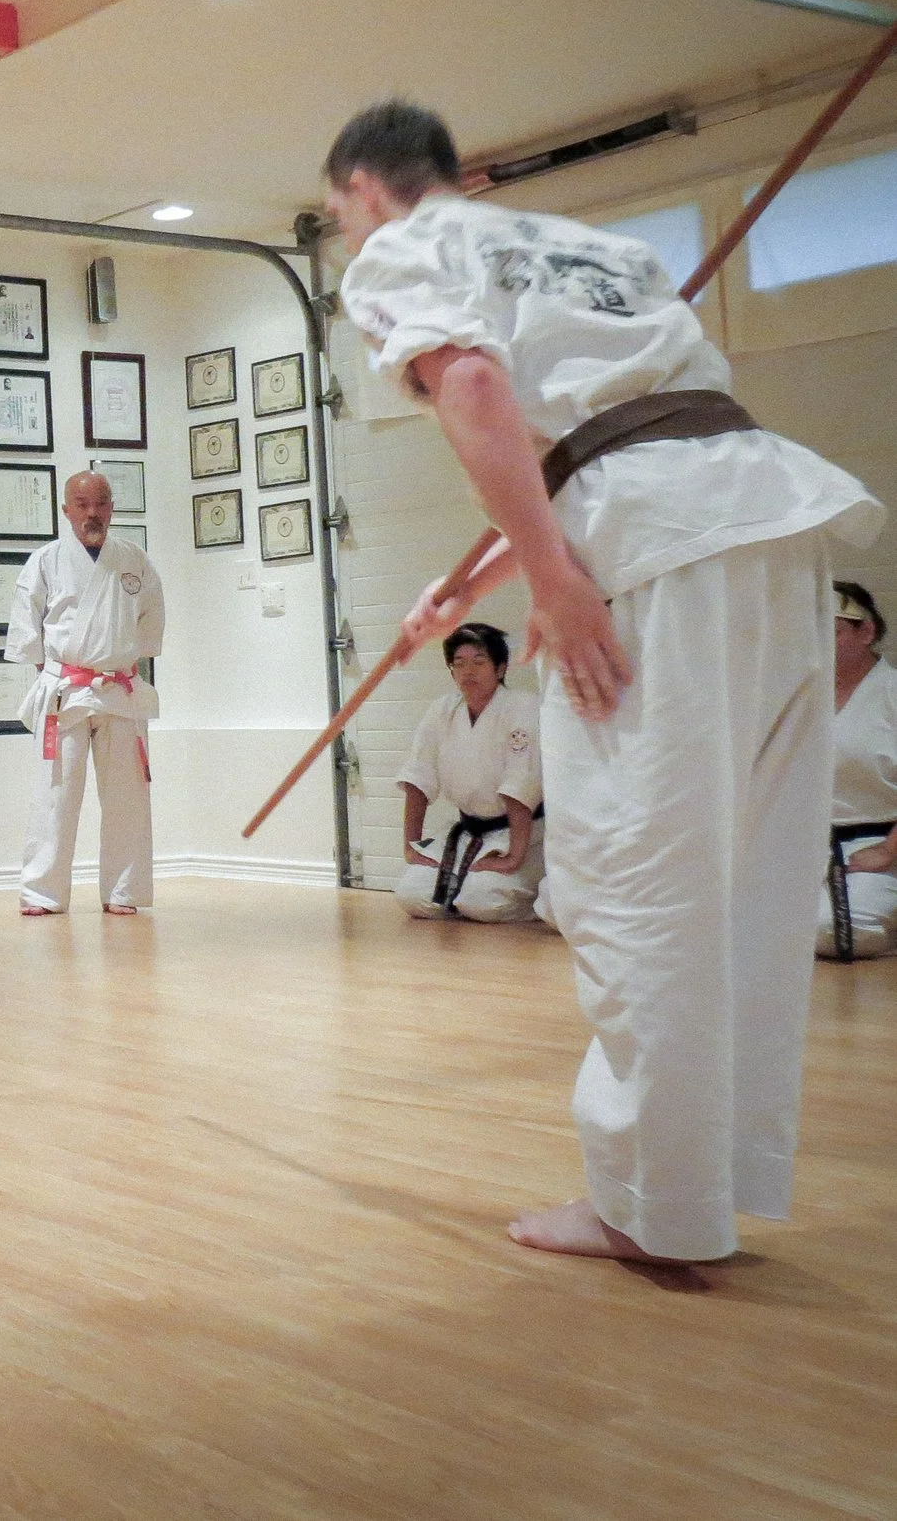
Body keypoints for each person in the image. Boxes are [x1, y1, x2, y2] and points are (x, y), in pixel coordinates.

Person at [327, 98, 881, 1265]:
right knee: (745, 875)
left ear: (362, 193)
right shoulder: (599, 250)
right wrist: (480, 580)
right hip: (769, 526)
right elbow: (607, 435)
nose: (344, 236)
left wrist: (551, 579)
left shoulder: (400, 250)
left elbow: (476, 395)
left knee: (635, 872)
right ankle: (702, 1185)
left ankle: (650, 1206)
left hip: (655, 553)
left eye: (338, 216)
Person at [6, 471, 164, 916]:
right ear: (66, 510)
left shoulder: (134, 561)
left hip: (119, 690)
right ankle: (42, 892)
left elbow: (150, 626)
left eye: (101, 503)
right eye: (82, 504)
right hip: (67, 691)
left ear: (112, 508)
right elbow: (28, 628)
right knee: (54, 796)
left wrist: (123, 662)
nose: (92, 513)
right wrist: (55, 673)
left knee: (128, 798)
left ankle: (124, 891)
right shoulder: (46, 561)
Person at [394, 622, 546, 925]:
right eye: (459, 664)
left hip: (526, 833)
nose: (468, 671)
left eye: (479, 662)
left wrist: (514, 856)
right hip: (466, 831)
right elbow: (418, 779)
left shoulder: (523, 707)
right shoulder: (442, 711)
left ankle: (537, 901)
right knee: (412, 895)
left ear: (500, 668)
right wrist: (411, 847)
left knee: (482, 902)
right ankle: (464, 888)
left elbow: (521, 785)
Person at [819, 581, 897, 960]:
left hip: (877, 850)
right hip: (805, 850)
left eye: (829, 631)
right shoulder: (798, 701)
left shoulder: (892, 694)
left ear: (865, 631)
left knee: (833, 930)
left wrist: (889, 849)